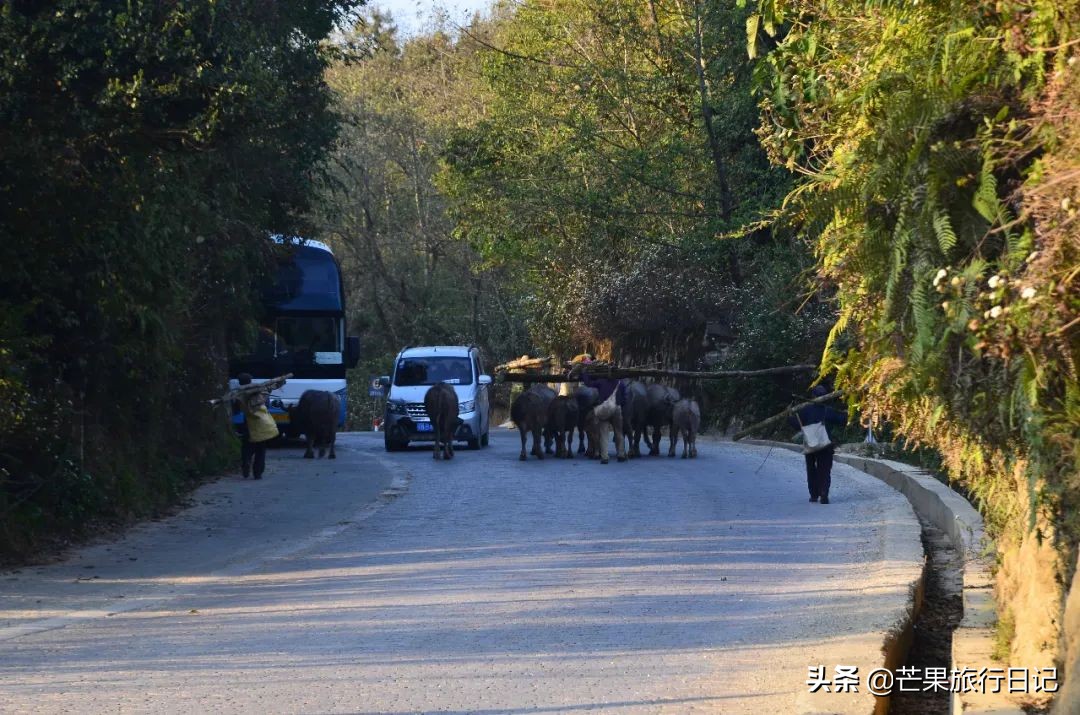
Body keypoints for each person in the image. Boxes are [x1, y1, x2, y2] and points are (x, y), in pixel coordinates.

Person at [788, 385, 847, 503]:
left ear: (813, 396)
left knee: (811, 469)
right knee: (824, 469)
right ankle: (824, 492)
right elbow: (842, 421)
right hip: (825, 445)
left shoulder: (806, 410)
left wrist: (789, 416)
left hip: (810, 445)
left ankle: (814, 494)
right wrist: (846, 413)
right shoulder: (828, 410)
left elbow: (796, 425)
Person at [233, 373, 280, 479]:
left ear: (239, 382)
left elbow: (235, 410)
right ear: (250, 381)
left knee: (246, 447)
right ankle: (258, 472)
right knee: (261, 449)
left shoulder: (238, 394)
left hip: (248, 424)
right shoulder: (260, 391)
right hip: (262, 424)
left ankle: (246, 462)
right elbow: (266, 405)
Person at [580, 358, 627, 464]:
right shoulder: (621, 384)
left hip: (604, 410)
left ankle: (604, 457)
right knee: (619, 432)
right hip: (616, 409)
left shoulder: (601, 382)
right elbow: (625, 398)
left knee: (603, 433)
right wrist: (619, 405)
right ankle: (621, 454)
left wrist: (584, 373)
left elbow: (588, 383)